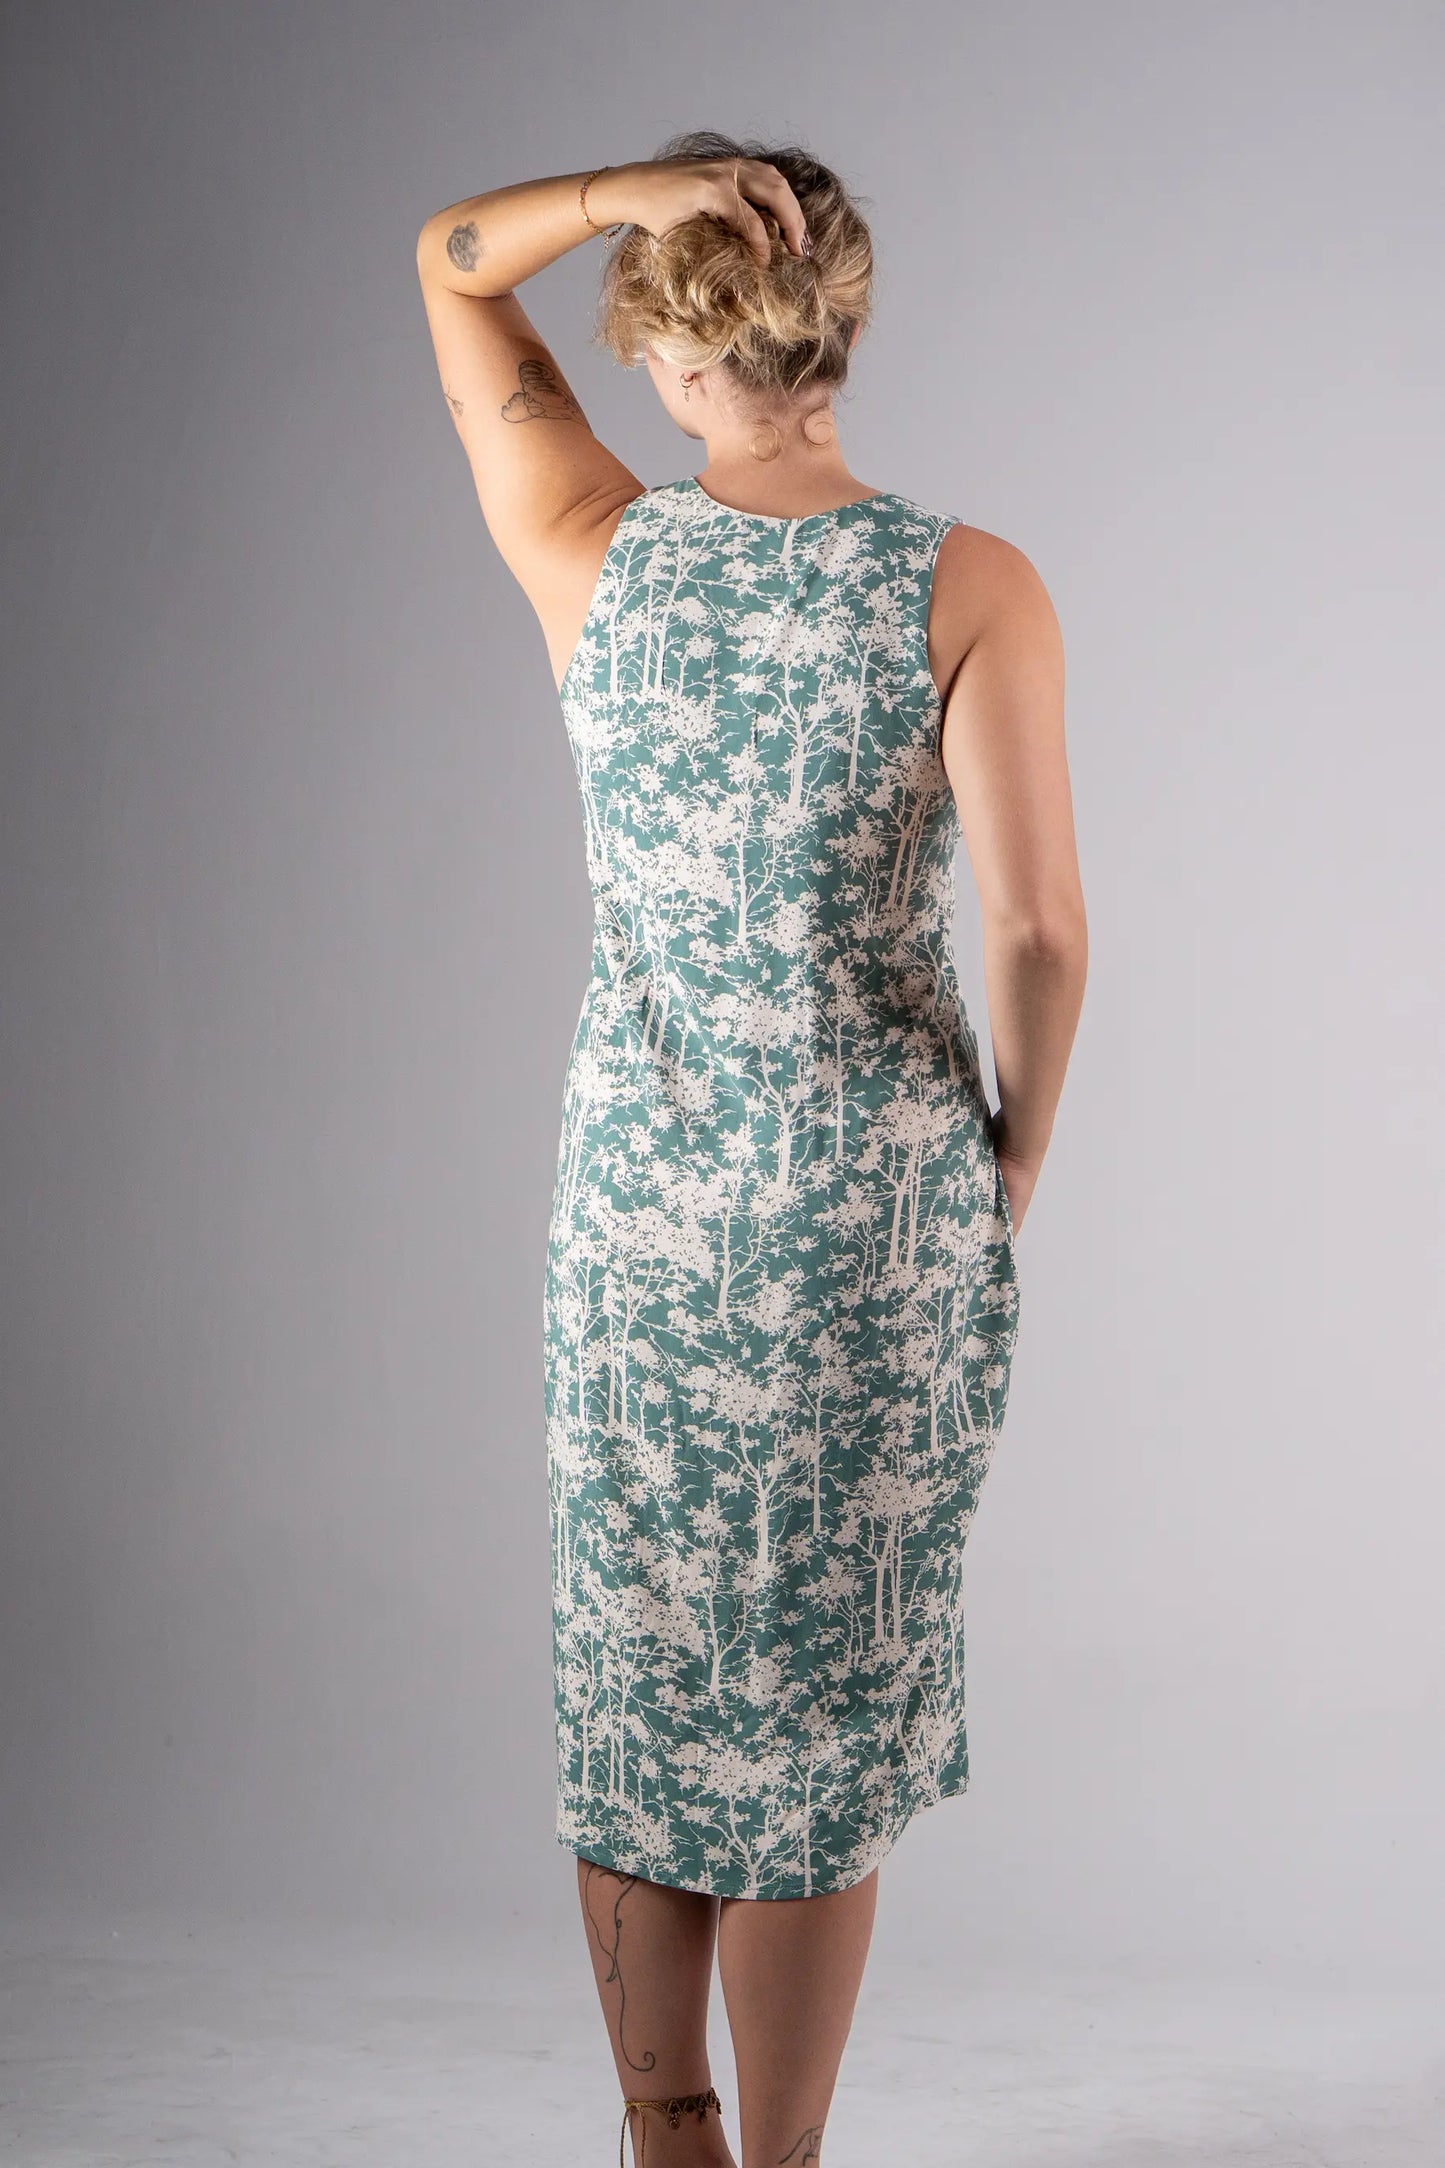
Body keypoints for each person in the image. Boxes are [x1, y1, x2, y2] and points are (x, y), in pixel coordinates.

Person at [416, 131, 1087, 2168]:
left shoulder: (590, 545)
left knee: (645, 1685)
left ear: (668, 347)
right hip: (873, 1211)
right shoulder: (969, 582)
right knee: (814, 1714)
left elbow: (451, 263)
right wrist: (1010, 1158)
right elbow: (1039, 934)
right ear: (839, 332)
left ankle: (664, 2129)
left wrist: (626, 189)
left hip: (641, 1210)